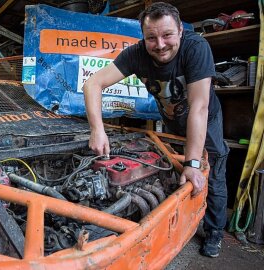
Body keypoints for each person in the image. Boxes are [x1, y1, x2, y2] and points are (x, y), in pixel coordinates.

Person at [83, 2, 229, 258]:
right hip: (173, 122)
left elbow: (199, 107)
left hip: (206, 120)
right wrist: (97, 130)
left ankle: (215, 230)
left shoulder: (196, 48)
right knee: (171, 169)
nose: (160, 44)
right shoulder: (136, 55)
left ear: (181, 30)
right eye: (151, 37)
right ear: (143, 36)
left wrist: (194, 162)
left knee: (210, 172)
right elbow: (93, 83)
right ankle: (174, 220)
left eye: (167, 35)